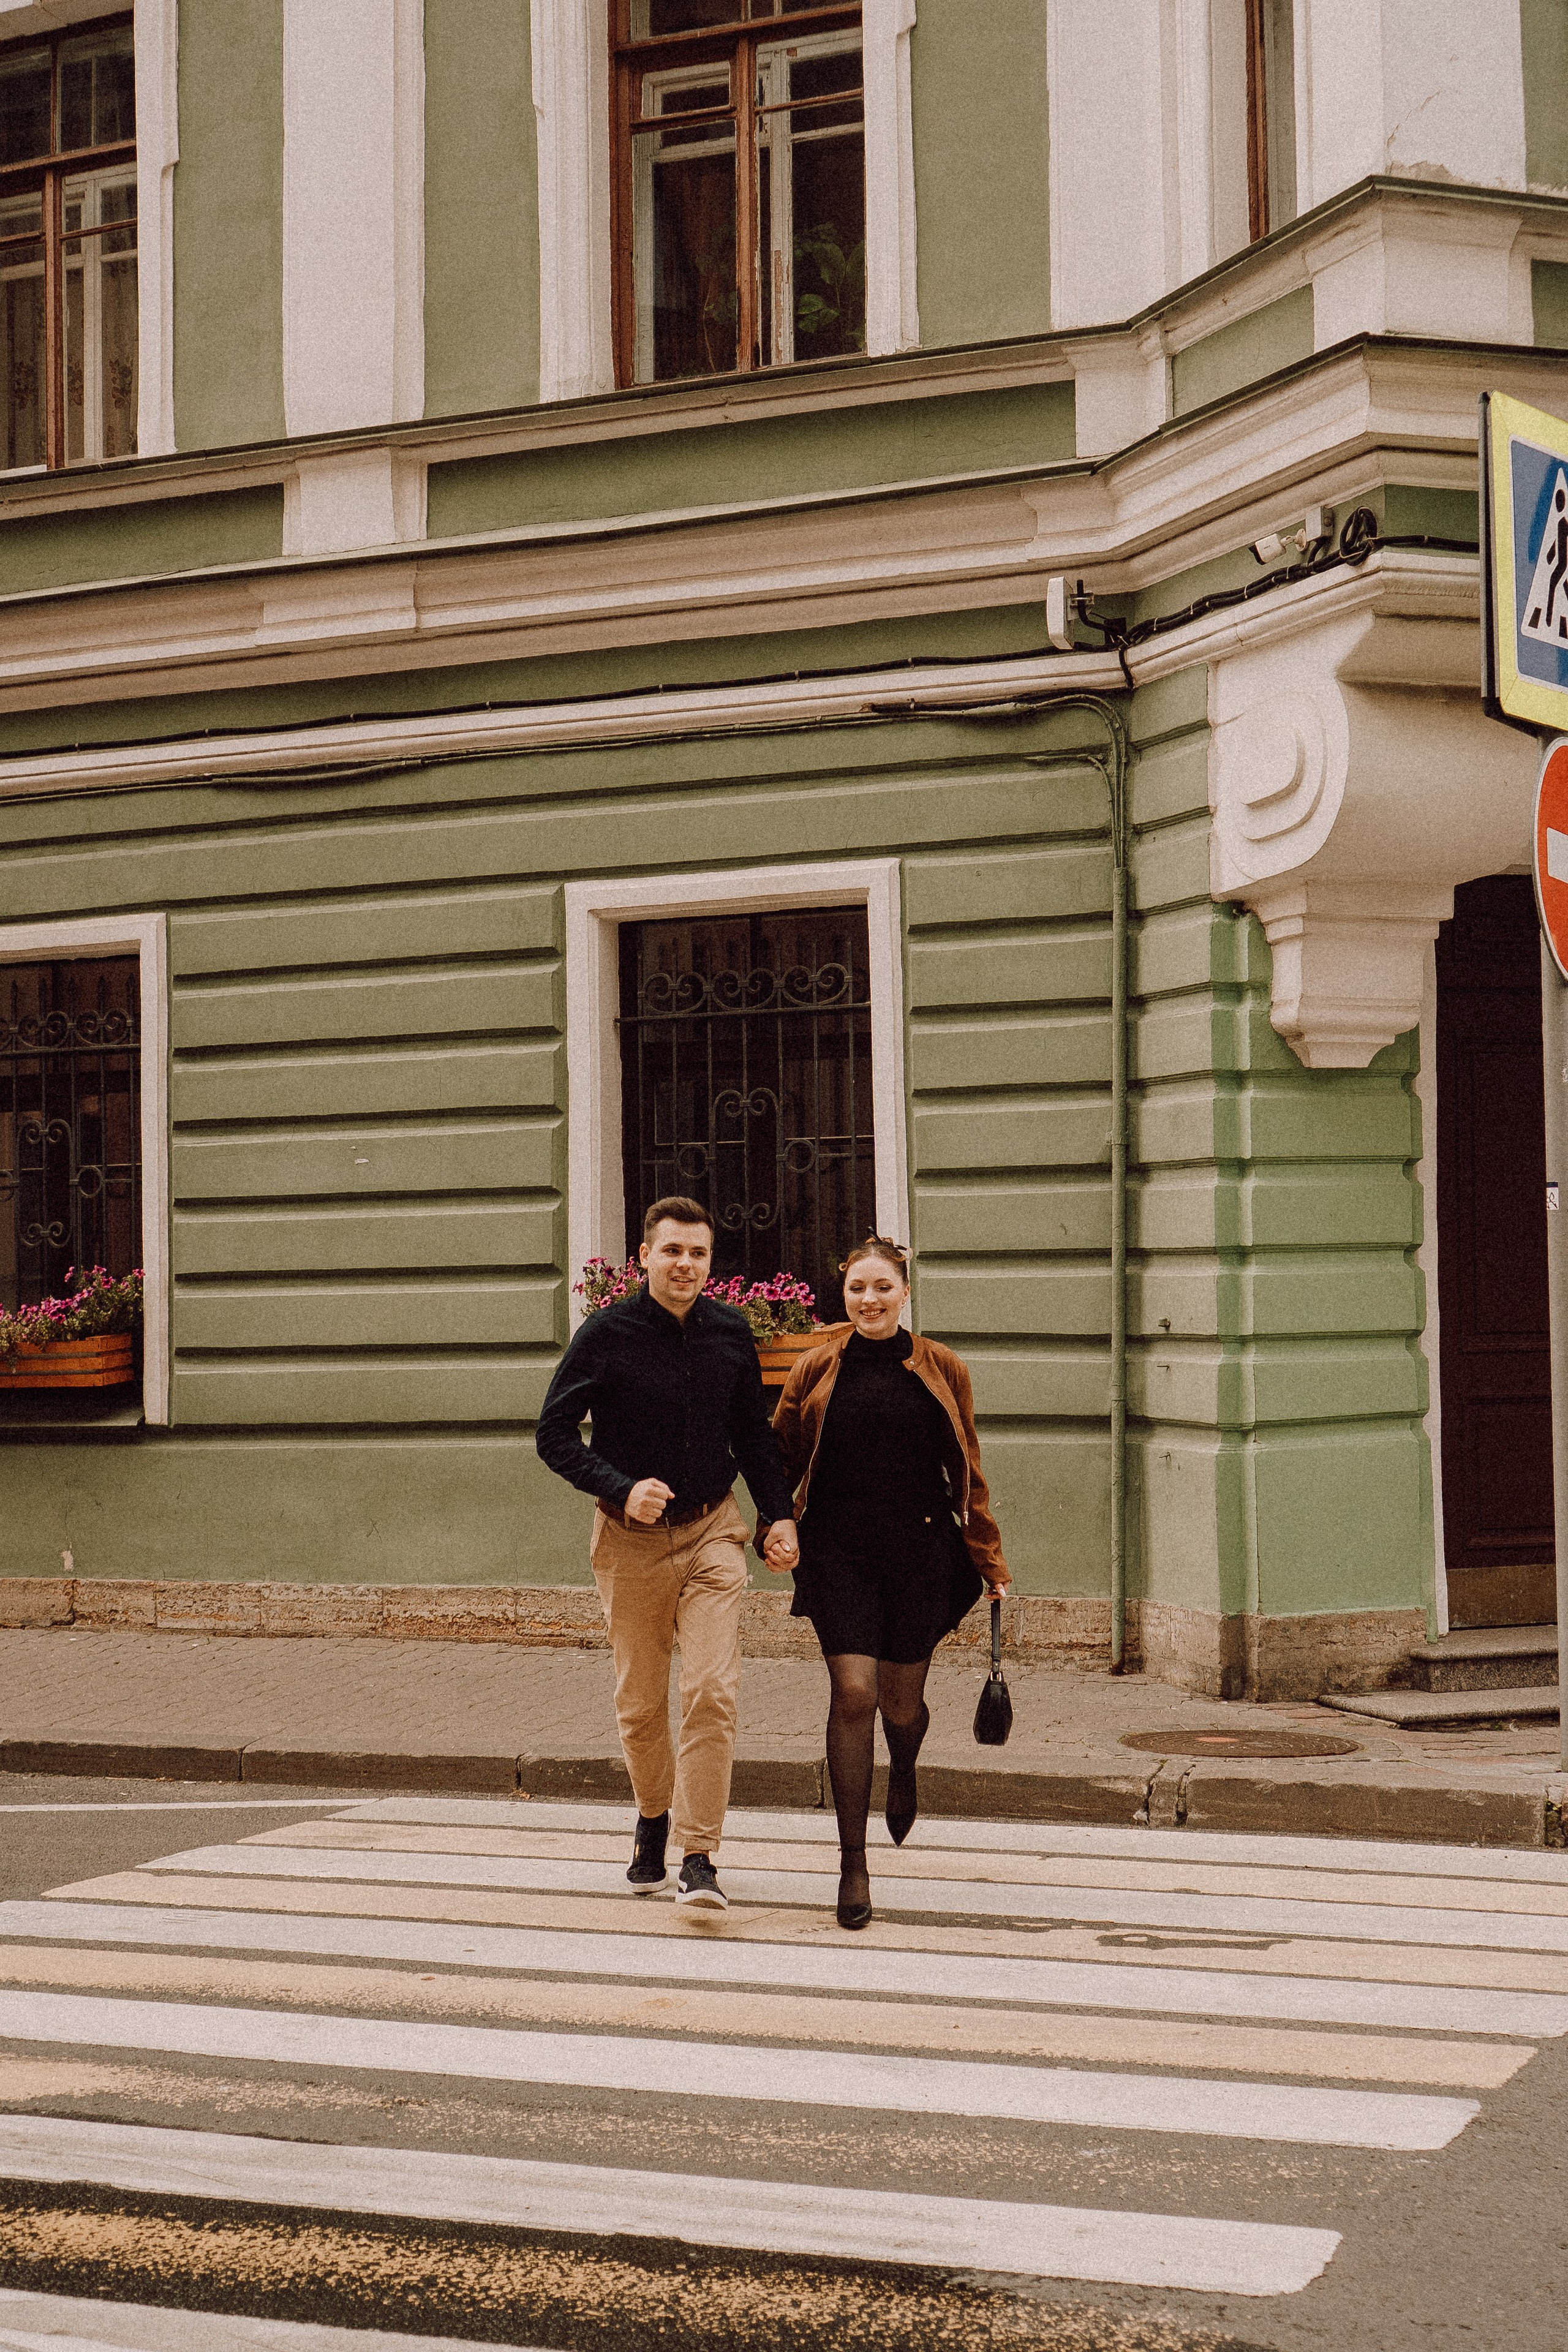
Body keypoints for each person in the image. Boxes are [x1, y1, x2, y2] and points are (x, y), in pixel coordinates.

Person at [536, 1196, 799, 1910]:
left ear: (710, 1264)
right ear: (644, 1257)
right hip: (630, 1544)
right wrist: (620, 1488)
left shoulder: (729, 1331)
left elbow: (753, 1436)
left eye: (698, 1254)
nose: (685, 1265)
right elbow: (554, 1435)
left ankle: (699, 1854)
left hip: (714, 1531)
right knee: (641, 1702)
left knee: (710, 1690)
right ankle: (653, 1816)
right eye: (672, 1251)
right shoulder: (606, 1333)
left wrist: (778, 1517)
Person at [766, 1237, 1011, 1930]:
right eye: (856, 1290)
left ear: (904, 1292)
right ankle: (852, 1863)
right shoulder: (814, 1367)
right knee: (853, 1693)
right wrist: (773, 1526)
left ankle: (902, 1768)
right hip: (837, 1550)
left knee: (901, 1705)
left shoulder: (941, 1367)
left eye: (882, 1288)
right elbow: (779, 1459)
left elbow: (968, 1468)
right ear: (841, 1296)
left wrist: (989, 1559)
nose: (868, 1300)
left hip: (920, 1549)